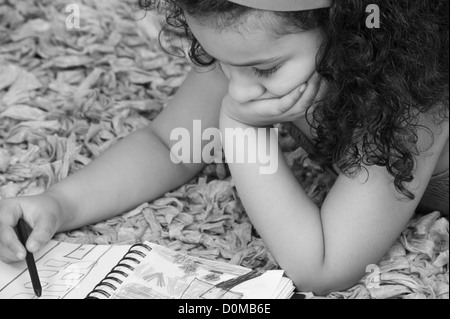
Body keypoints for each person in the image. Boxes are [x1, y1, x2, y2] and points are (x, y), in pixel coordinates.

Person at [0, 0, 448, 295]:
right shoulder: (251, 51)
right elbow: (167, 145)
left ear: (351, 33)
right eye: (218, 62)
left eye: (266, 69)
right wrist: (58, 202)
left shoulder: (413, 99)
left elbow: (324, 267)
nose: (236, 88)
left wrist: (239, 127)